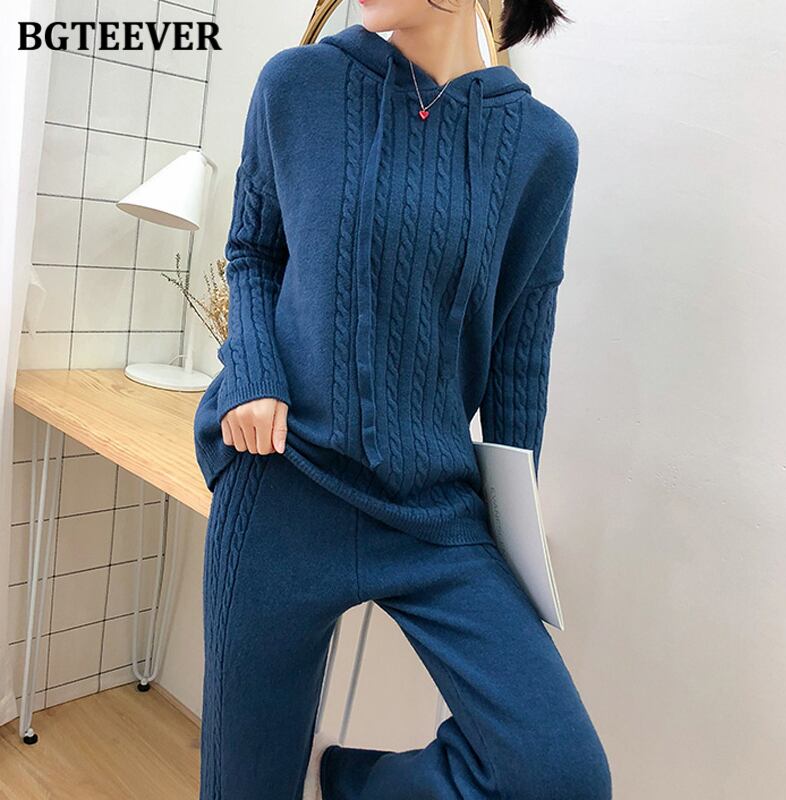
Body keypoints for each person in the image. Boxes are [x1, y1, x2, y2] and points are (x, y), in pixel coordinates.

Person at [193, 1, 611, 798]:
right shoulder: (297, 83)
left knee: (560, 777)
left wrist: (514, 529)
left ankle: (348, 782)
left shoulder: (542, 148)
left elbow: (521, 360)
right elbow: (253, 251)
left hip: (434, 513)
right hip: (282, 482)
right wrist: (253, 371)